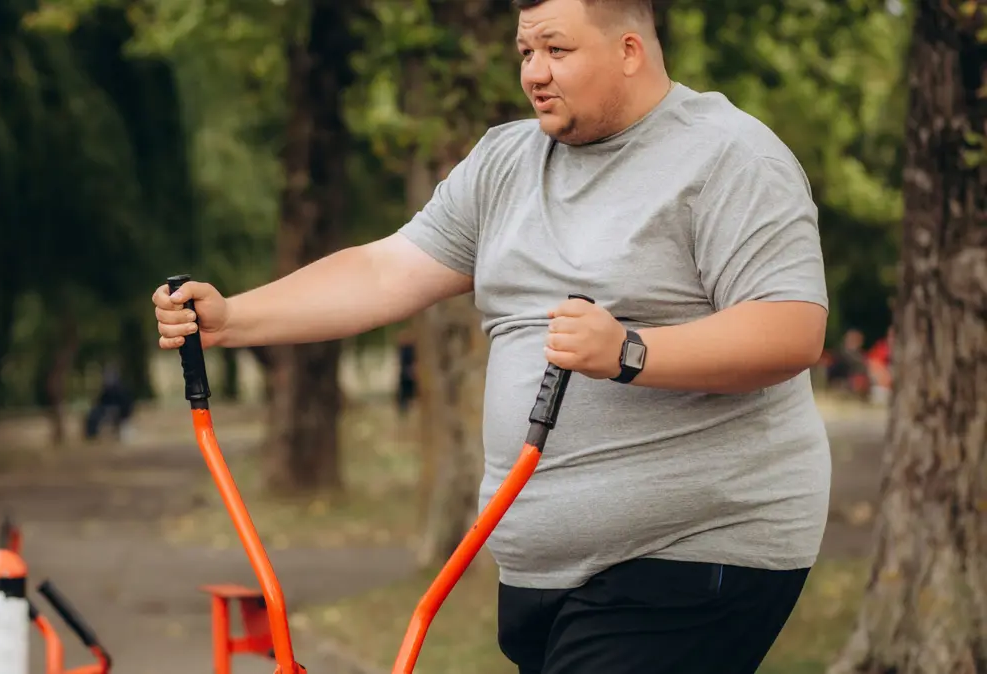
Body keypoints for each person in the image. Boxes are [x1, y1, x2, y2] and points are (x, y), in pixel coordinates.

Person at [152, 0, 831, 671]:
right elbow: (386, 270)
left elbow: (791, 329)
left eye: (557, 50)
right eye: (525, 52)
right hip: (541, 573)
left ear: (630, 50)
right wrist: (235, 318)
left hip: (691, 553)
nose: (534, 72)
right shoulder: (505, 161)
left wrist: (630, 352)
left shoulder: (728, 156)